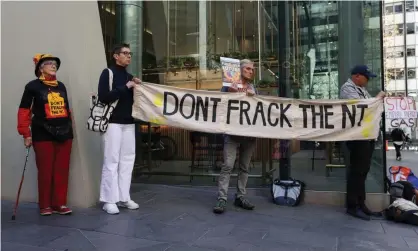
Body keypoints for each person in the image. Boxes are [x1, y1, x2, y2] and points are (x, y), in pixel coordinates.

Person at [17, 54, 73, 216]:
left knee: (62, 170)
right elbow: (24, 111)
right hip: (42, 133)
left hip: (64, 133)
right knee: (45, 170)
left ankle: (59, 203)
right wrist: (25, 133)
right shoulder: (32, 87)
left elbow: (66, 110)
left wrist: (69, 129)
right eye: (49, 63)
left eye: (55, 63)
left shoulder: (61, 86)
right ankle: (45, 205)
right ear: (40, 68)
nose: (53, 65)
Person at [98, 43, 142, 214]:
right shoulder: (108, 73)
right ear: (115, 55)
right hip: (112, 123)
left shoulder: (129, 76)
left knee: (127, 160)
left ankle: (124, 197)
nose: (129, 56)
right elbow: (104, 97)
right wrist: (127, 87)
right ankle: (109, 200)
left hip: (128, 123)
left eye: (130, 53)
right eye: (125, 53)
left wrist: (137, 86)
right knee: (112, 160)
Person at [340, 65, 386, 221]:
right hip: (356, 137)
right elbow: (362, 106)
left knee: (363, 172)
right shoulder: (347, 89)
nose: (368, 81)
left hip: (366, 136)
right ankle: (352, 206)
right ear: (357, 76)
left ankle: (362, 204)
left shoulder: (362, 89)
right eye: (366, 77)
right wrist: (378, 99)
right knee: (356, 172)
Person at [213, 59, 257, 214]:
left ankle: (240, 196)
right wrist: (229, 94)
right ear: (240, 70)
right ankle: (222, 198)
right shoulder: (227, 87)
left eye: (252, 69)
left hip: (248, 133)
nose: (251, 71)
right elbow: (219, 104)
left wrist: (253, 97)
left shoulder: (252, 88)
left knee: (244, 167)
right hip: (232, 133)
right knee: (228, 165)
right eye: (248, 69)